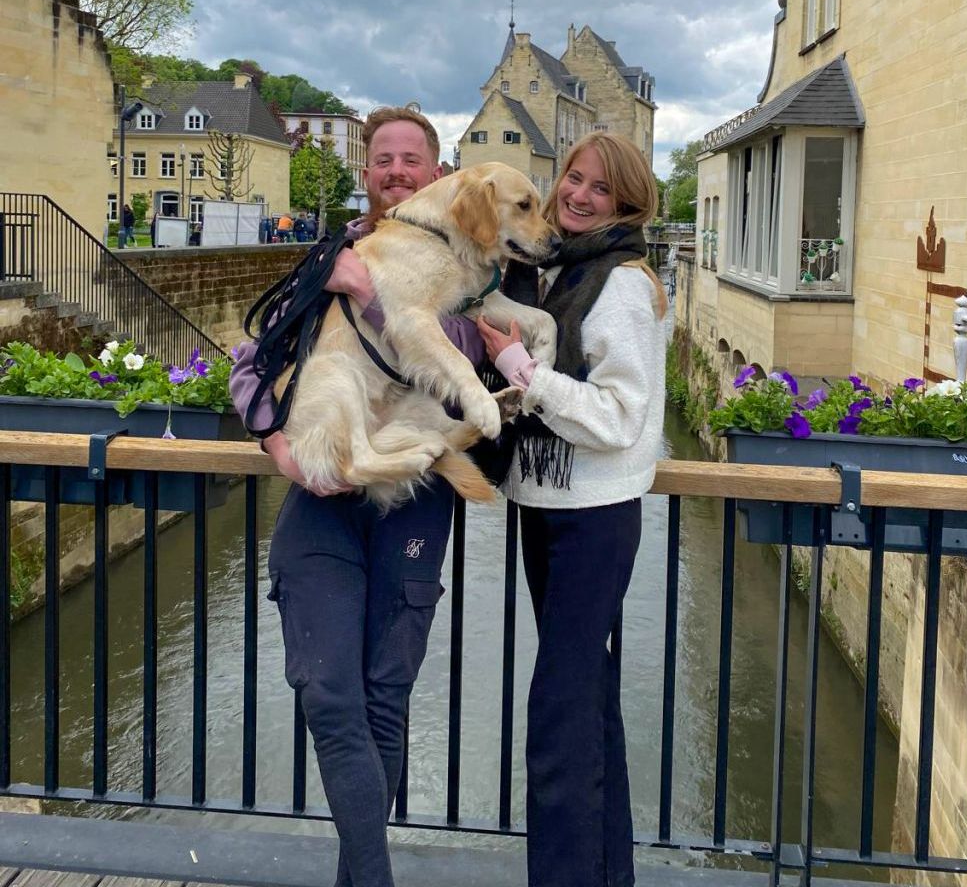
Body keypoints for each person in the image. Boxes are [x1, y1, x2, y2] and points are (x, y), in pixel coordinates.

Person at [229, 107, 484, 887]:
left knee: (382, 697)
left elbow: (455, 362)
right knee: (328, 692)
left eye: (412, 159)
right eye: (384, 159)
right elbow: (251, 361)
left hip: (412, 498)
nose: (397, 171)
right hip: (324, 498)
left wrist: (369, 293)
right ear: (367, 173)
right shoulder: (329, 255)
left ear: (436, 174)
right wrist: (276, 443)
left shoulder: (466, 266)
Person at [475, 132, 667, 887]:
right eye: (574, 180)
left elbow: (621, 418)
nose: (579, 196)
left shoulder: (621, 284)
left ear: (627, 204)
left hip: (592, 518)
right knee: (587, 708)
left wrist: (522, 372)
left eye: (601, 188)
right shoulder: (553, 271)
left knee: (559, 717)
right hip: (547, 505)